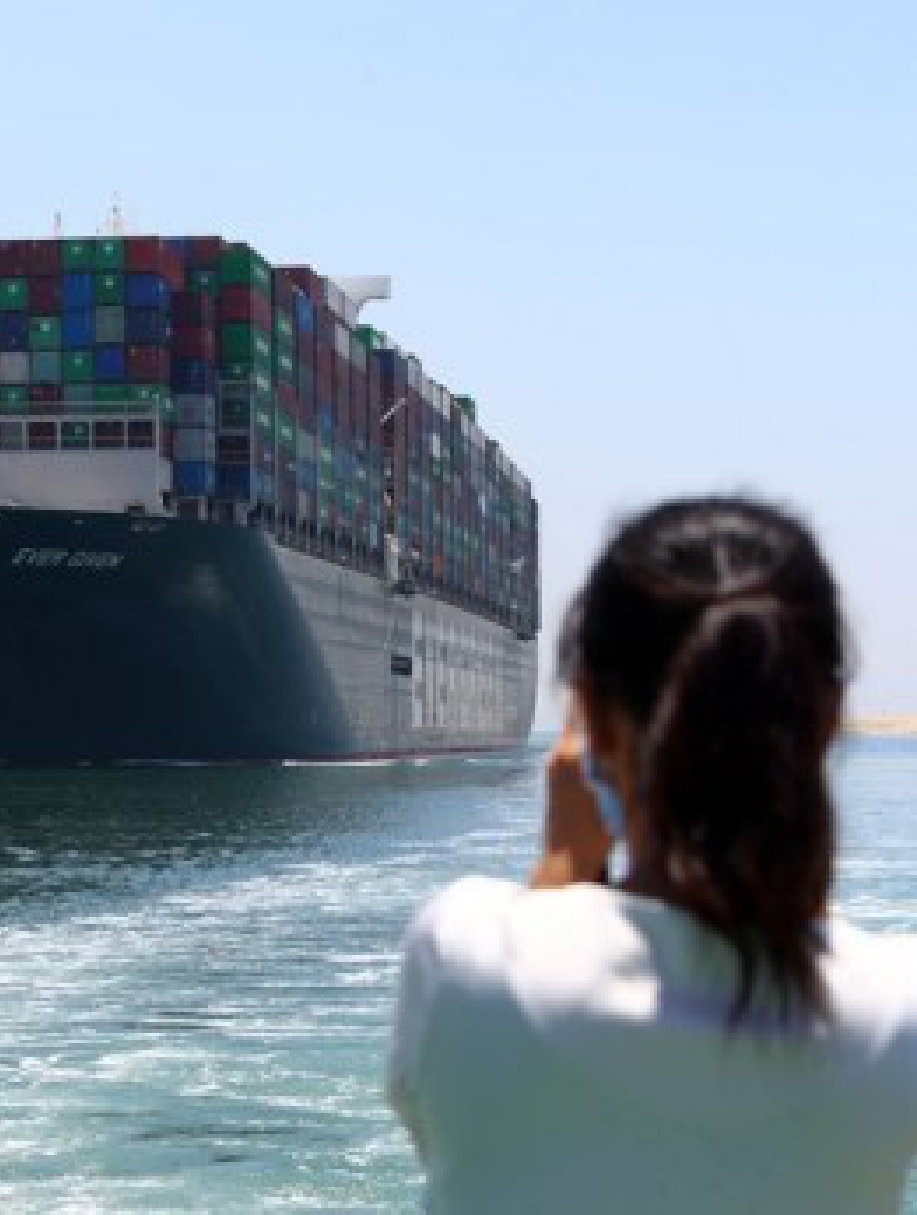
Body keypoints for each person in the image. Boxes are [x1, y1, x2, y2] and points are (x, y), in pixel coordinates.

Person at [388, 497, 917, 1213]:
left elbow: (472, 1134)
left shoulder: (462, 952)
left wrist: (563, 864)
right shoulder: (898, 1011)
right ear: (825, 720)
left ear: (594, 722)